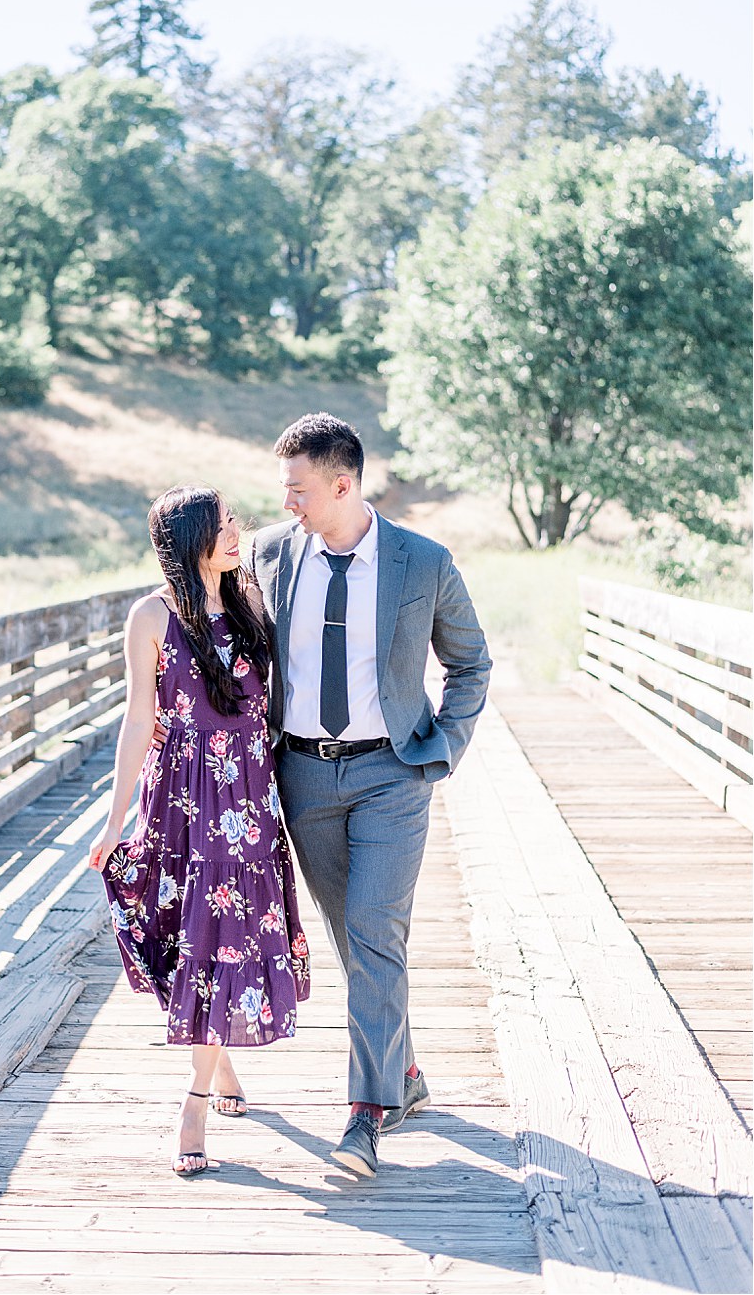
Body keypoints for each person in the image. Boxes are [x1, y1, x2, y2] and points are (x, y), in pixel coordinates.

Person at [249, 412, 491, 1178]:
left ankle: (364, 1116)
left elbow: (470, 664)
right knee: (355, 943)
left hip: (392, 774)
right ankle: (407, 1079)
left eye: (297, 490)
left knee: (374, 932)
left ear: (342, 484)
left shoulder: (421, 563)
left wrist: (441, 750)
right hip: (304, 777)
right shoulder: (268, 553)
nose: (286, 503)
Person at [87, 486, 310, 1178]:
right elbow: (136, 720)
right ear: (189, 541)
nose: (236, 532)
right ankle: (211, 1078)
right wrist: (112, 818)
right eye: (221, 526)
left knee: (234, 934)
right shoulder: (150, 615)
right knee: (196, 935)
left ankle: (197, 1094)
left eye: (235, 520)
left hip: (247, 796)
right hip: (182, 798)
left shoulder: (248, 600)